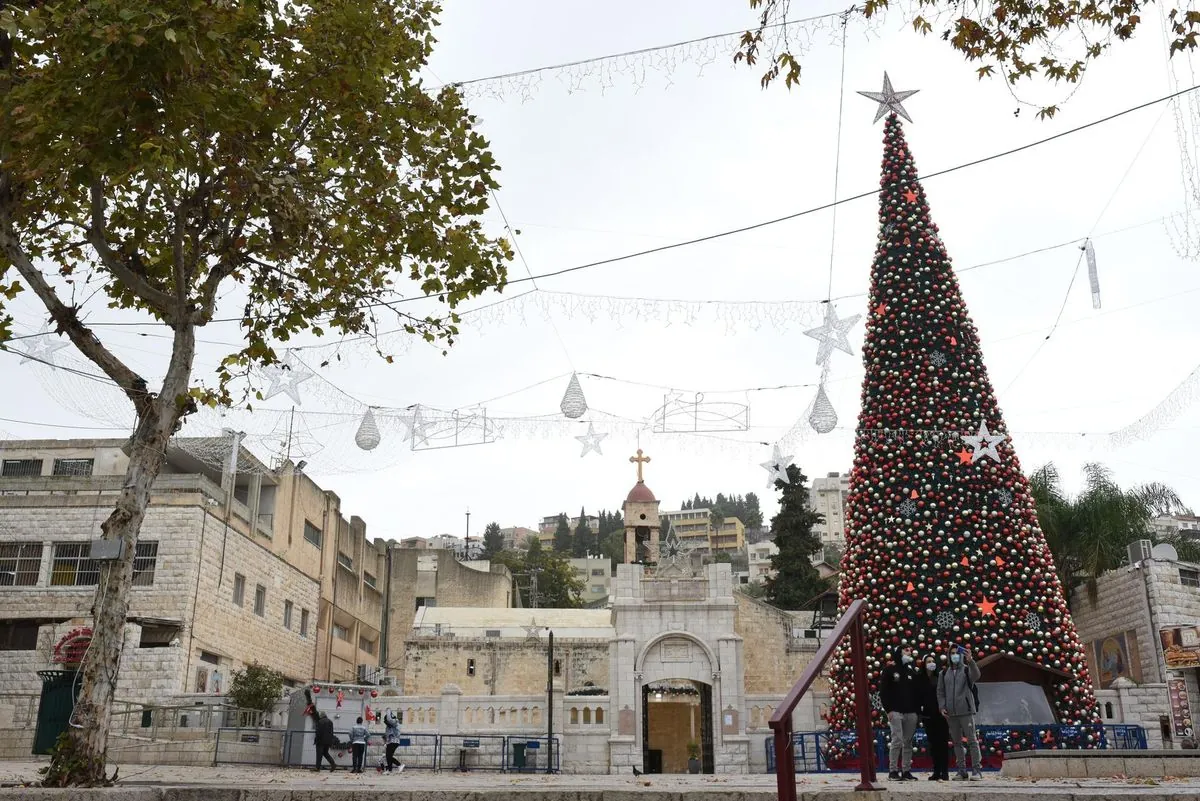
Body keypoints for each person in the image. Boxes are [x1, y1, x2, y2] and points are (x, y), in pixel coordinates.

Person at [937, 644, 983, 781]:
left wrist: (971, 661)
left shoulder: (967, 670)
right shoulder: (943, 673)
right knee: (956, 743)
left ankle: (976, 769)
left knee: (972, 741)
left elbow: (976, 676)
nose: (954, 655)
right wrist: (942, 707)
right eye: (952, 653)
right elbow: (940, 692)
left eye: (957, 653)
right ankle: (962, 770)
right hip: (951, 714)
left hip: (966, 711)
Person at [879, 644, 920, 781]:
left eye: (910, 650)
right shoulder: (890, 670)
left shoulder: (911, 671)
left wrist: (916, 711)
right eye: (906, 650)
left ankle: (906, 770)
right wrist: (888, 710)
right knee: (897, 740)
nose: (909, 652)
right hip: (895, 711)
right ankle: (893, 771)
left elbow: (916, 692)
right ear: (898, 652)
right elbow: (883, 691)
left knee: (908, 742)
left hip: (911, 712)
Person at [919, 654, 950, 781]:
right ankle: (936, 771)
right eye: (928, 661)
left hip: (940, 715)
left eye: (933, 661)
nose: (931, 663)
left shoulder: (940, 677)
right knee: (933, 745)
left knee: (942, 743)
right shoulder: (920, 679)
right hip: (927, 715)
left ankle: (945, 771)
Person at [383, 708, 403, 772]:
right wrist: (386, 742)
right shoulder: (389, 726)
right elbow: (387, 735)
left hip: (394, 741)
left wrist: (388, 710)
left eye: (386, 721)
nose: (386, 722)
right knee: (388, 756)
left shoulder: (394, 722)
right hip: (390, 742)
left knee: (388, 756)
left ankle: (399, 765)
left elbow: (389, 719)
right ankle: (389, 769)